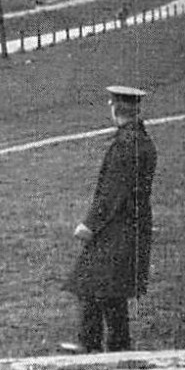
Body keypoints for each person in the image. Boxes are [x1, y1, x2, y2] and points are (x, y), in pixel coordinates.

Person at [63, 85, 157, 352]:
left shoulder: (126, 145)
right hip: (131, 227)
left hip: (118, 228)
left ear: (116, 110)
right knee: (108, 290)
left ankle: (91, 346)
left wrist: (89, 224)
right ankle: (115, 348)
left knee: (92, 284)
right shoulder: (141, 141)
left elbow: (112, 192)